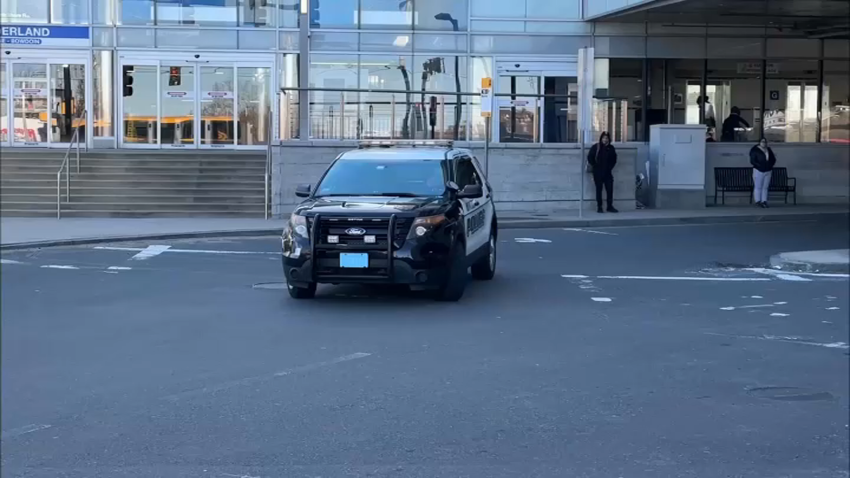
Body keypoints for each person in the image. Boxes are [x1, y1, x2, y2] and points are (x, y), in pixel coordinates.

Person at [587, 131, 618, 213]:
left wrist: (610, 167)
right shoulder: (596, 147)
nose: (605, 140)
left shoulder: (611, 148)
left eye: (606, 138)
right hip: (598, 173)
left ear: (609, 139)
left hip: (608, 173)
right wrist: (595, 166)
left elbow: (614, 159)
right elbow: (590, 157)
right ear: (601, 138)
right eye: (604, 138)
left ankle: (609, 206)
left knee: (610, 190)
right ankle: (599, 207)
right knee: (599, 190)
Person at [749, 138, 776, 208]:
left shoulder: (768, 150)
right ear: (759, 143)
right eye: (762, 142)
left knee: (765, 187)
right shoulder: (755, 150)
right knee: (758, 186)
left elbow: (773, 159)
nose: (764, 143)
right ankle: (758, 200)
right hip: (759, 170)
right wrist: (760, 165)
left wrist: (770, 165)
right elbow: (753, 161)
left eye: (765, 142)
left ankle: (764, 200)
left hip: (768, 170)